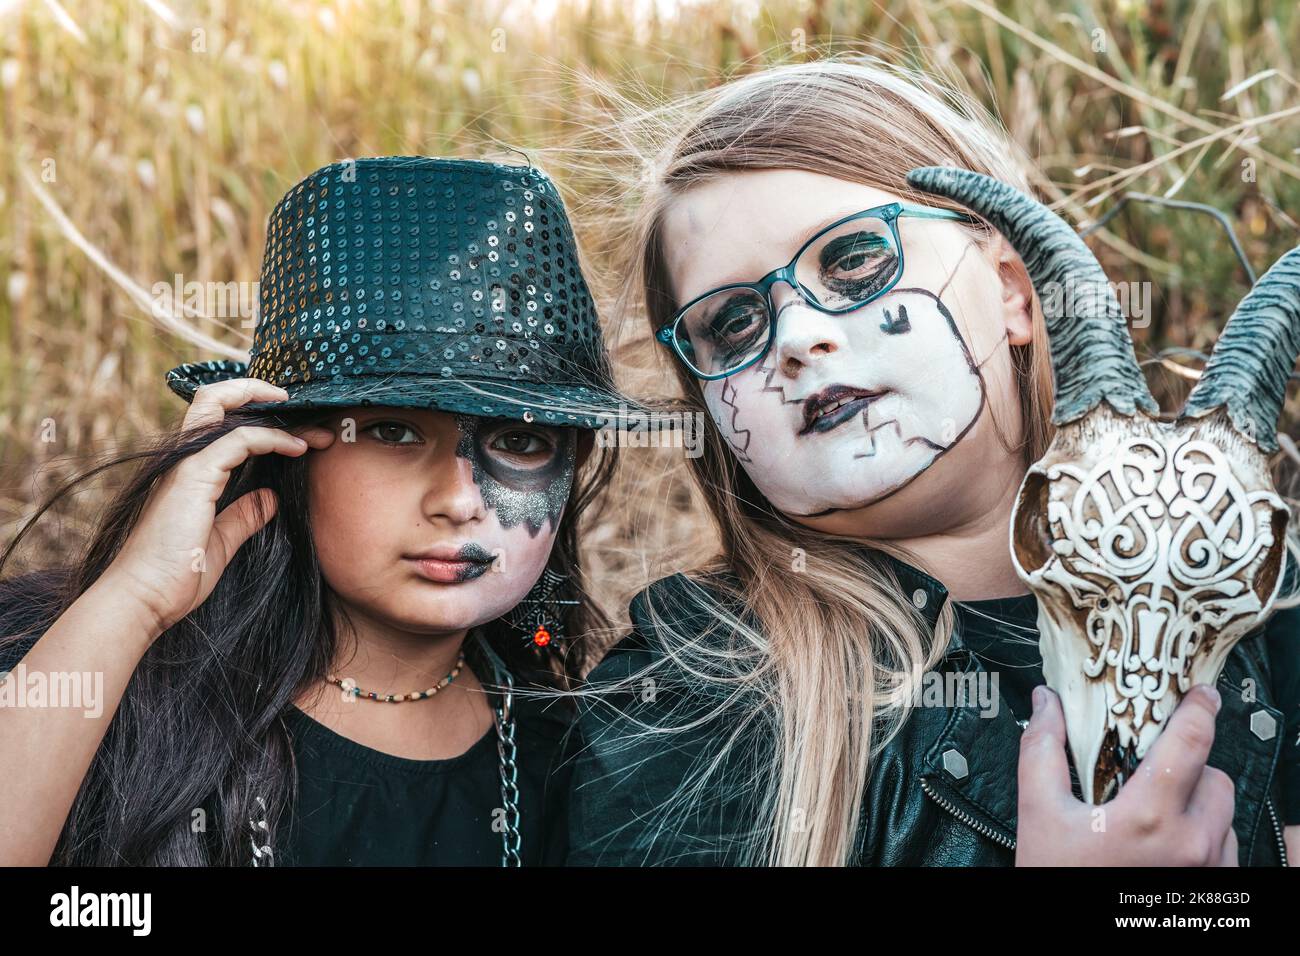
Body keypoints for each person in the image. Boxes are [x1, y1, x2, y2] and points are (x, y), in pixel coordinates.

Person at [565, 58, 1300, 866]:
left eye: (851, 261)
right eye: (734, 323)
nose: (796, 338)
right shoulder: (689, 699)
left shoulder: (1272, 631)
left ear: (1015, 290)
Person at [0, 155, 627, 866]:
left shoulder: (583, 766)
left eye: (520, 441)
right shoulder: (73, 673)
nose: (458, 501)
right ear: (285, 444)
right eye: (394, 432)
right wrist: (135, 600)